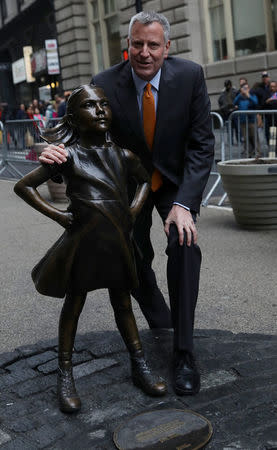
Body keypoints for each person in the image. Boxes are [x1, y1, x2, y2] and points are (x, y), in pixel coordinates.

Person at [39, 11, 214, 396]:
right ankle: (161, 321)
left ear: (167, 48)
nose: (145, 53)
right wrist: (53, 156)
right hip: (127, 184)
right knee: (133, 259)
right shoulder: (104, 83)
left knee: (184, 246)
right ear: (128, 45)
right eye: (138, 44)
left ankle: (183, 352)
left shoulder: (190, 76)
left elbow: (202, 146)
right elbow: (81, 136)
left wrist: (185, 204)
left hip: (172, 183)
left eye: (154, 45)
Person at [14, 84, 167, 414]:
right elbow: (24, 186)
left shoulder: (122, 155)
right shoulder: (68, 156)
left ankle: (139, 365)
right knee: (75, 303)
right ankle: (65, 374)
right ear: (72, 117)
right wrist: (60, 216)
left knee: (123, 302)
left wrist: (134, 210)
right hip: (83, 241)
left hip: (116, 239)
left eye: (104, 104)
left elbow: (144, 180)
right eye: (89, 106)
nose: (100, 110)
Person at [234, 83, 260, 157]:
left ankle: (257, 153)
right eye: (243, 88)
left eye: (246, 88)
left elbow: (255, 103)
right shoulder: (240, 97)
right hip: (243, 121)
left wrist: (248, 95)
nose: (245, 90)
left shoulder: (252, 96)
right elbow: (234, 102)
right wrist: (240, 94)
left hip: (252, 120)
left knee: (254, 137)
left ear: (249, 89)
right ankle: (248, 153)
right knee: (246, 138)